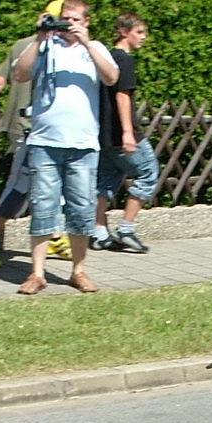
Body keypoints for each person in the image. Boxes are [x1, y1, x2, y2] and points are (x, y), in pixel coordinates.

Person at [10, 0, 118, 294]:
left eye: (74, 20)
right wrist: (40, 37)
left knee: (81, 208)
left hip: (83, 144)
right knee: (43, 207)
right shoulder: (46, 47)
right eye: (64, 19)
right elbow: (19, 74)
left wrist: (86, 43)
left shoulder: (95, 49)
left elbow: (111, 77)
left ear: (86, 21)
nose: (68, 25)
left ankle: (78, 271)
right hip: (45, 141)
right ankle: (36, 273)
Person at [0, 26, 72, 269]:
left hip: (25, 127)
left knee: (47, 181)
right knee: (20, 186)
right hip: (31, 128)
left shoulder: (21, 45)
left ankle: (53, 236)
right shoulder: (56, 49)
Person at [91, 13, 158, 253]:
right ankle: (126, 229)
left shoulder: (106, 58)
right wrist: (128, 132)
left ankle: (98, 233)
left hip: (105, 136)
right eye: (139, 32)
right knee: (148, 174)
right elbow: (122, 95)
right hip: (122, 134)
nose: (143, 37)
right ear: (123, 31)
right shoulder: (124, 60)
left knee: (106, 182)